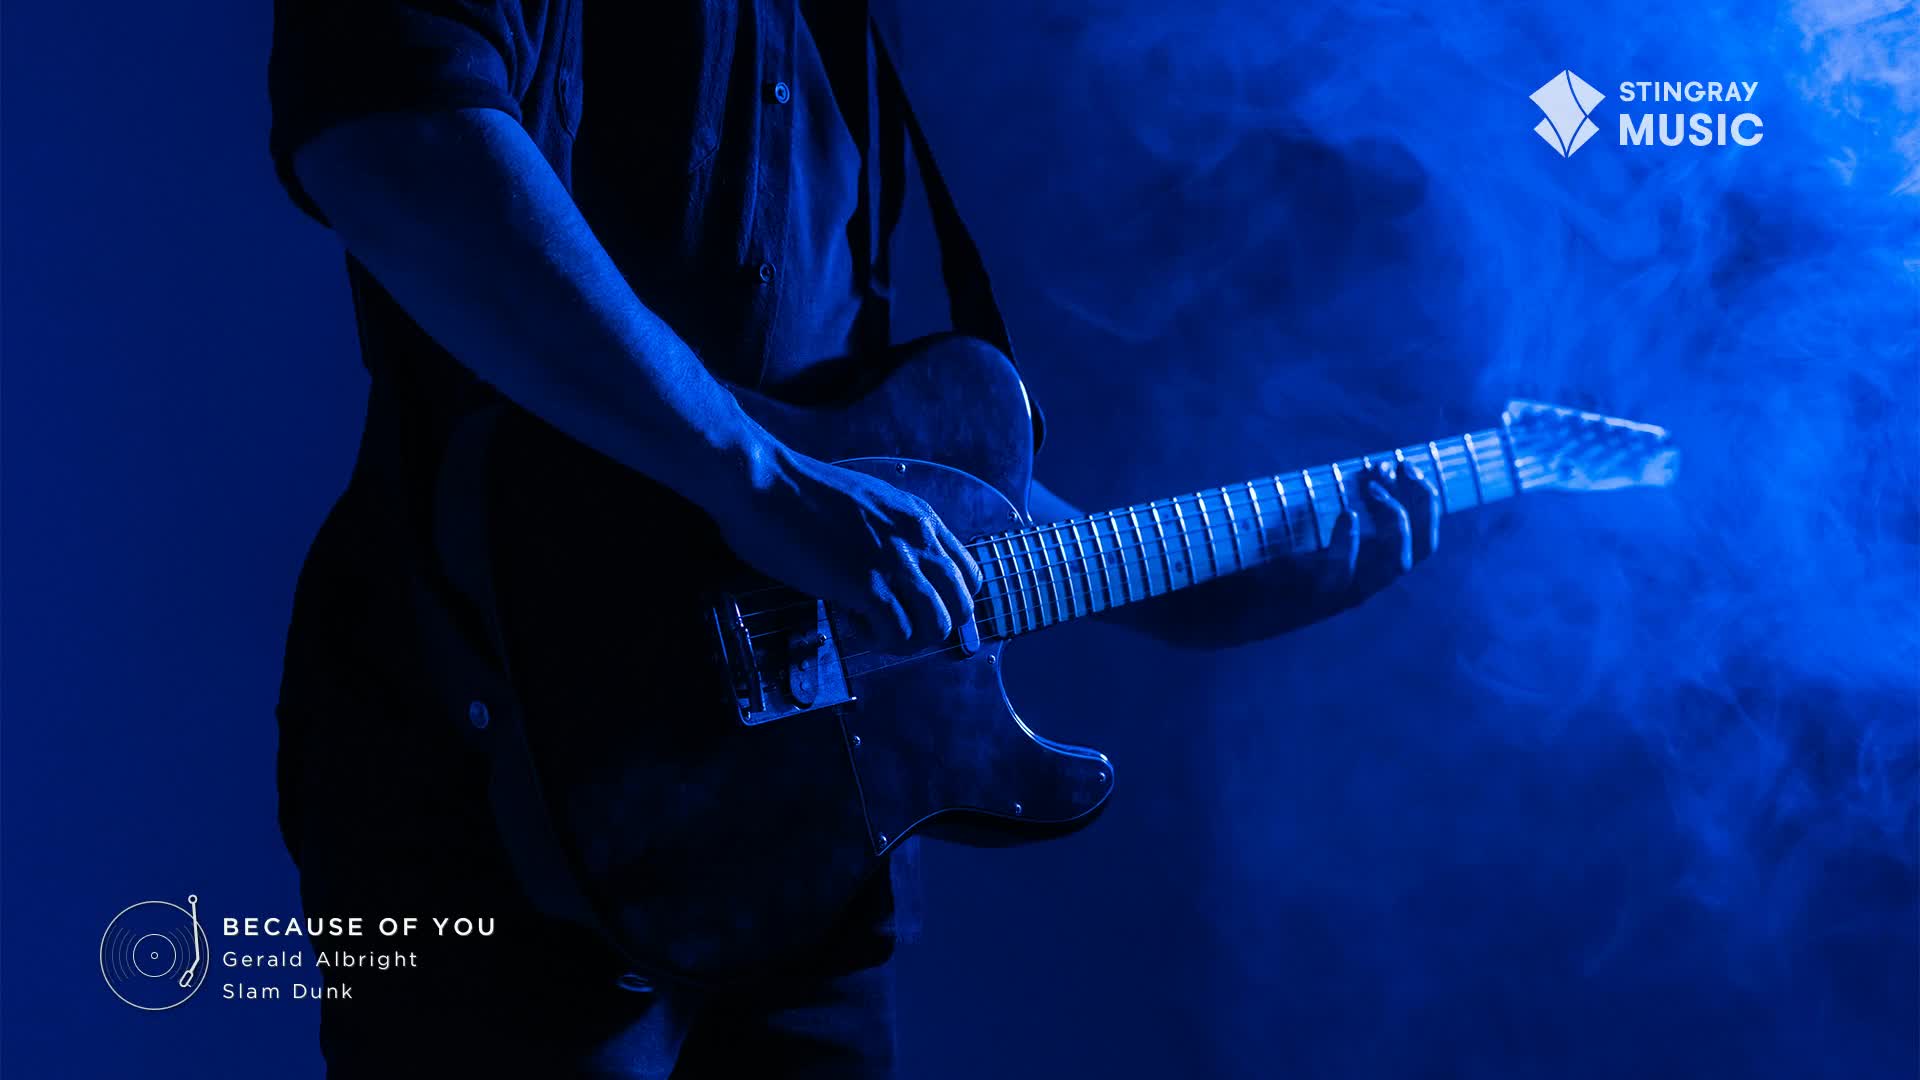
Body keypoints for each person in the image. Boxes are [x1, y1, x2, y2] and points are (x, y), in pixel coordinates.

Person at [267, 2, 1442, 1076]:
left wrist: (1205, 586)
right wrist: (761, 483)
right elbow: (389, 140)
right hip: (492, 792)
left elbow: (876, 472)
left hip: (801, 856)